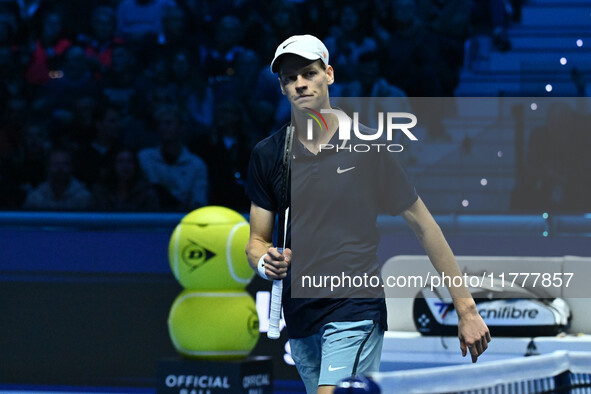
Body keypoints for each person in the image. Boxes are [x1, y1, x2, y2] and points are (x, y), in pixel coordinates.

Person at [245, 35, 491, 394]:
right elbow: (257, 241)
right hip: (299, 317)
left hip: (355, 307)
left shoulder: (368, 147)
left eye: (309, 73)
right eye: (289, 77)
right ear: (282, 87)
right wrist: (265, 261)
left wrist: (466, 309)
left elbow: (425, 226)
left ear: (328, 75)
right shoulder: (267, 155)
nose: (300, 82)